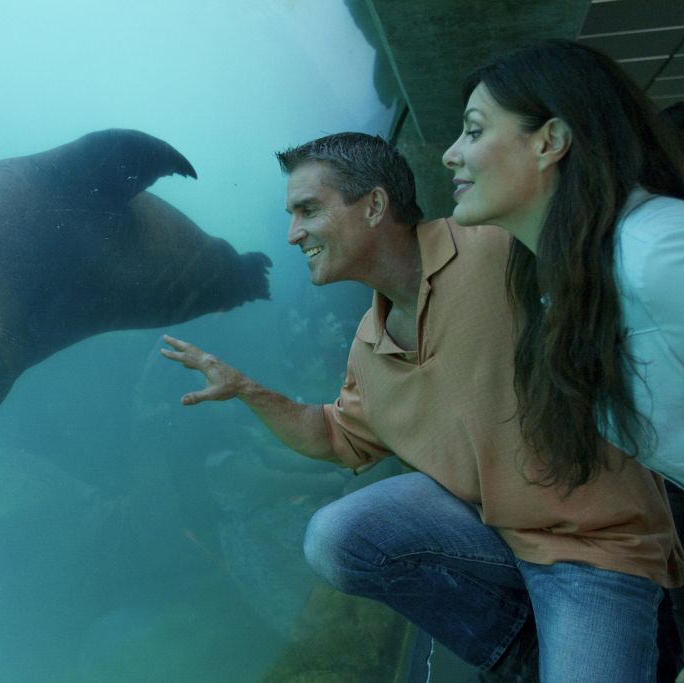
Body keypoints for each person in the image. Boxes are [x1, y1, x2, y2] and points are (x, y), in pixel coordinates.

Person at [160, 132, 682, 682]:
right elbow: (335, 435)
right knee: (336, 537)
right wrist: (246, 389)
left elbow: (610, 252)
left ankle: (638, 634)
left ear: (375, 206)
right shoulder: (368, 341)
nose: (292, 234)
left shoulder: (498, 248)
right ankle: (519, 652)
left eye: (307, 210)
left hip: (596, 547)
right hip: (500, 536)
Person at [442, 39, 684, 494]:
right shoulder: (569, 273)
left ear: (550, 142)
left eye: (473, 132)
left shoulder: (657, 251)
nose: (450, 154)